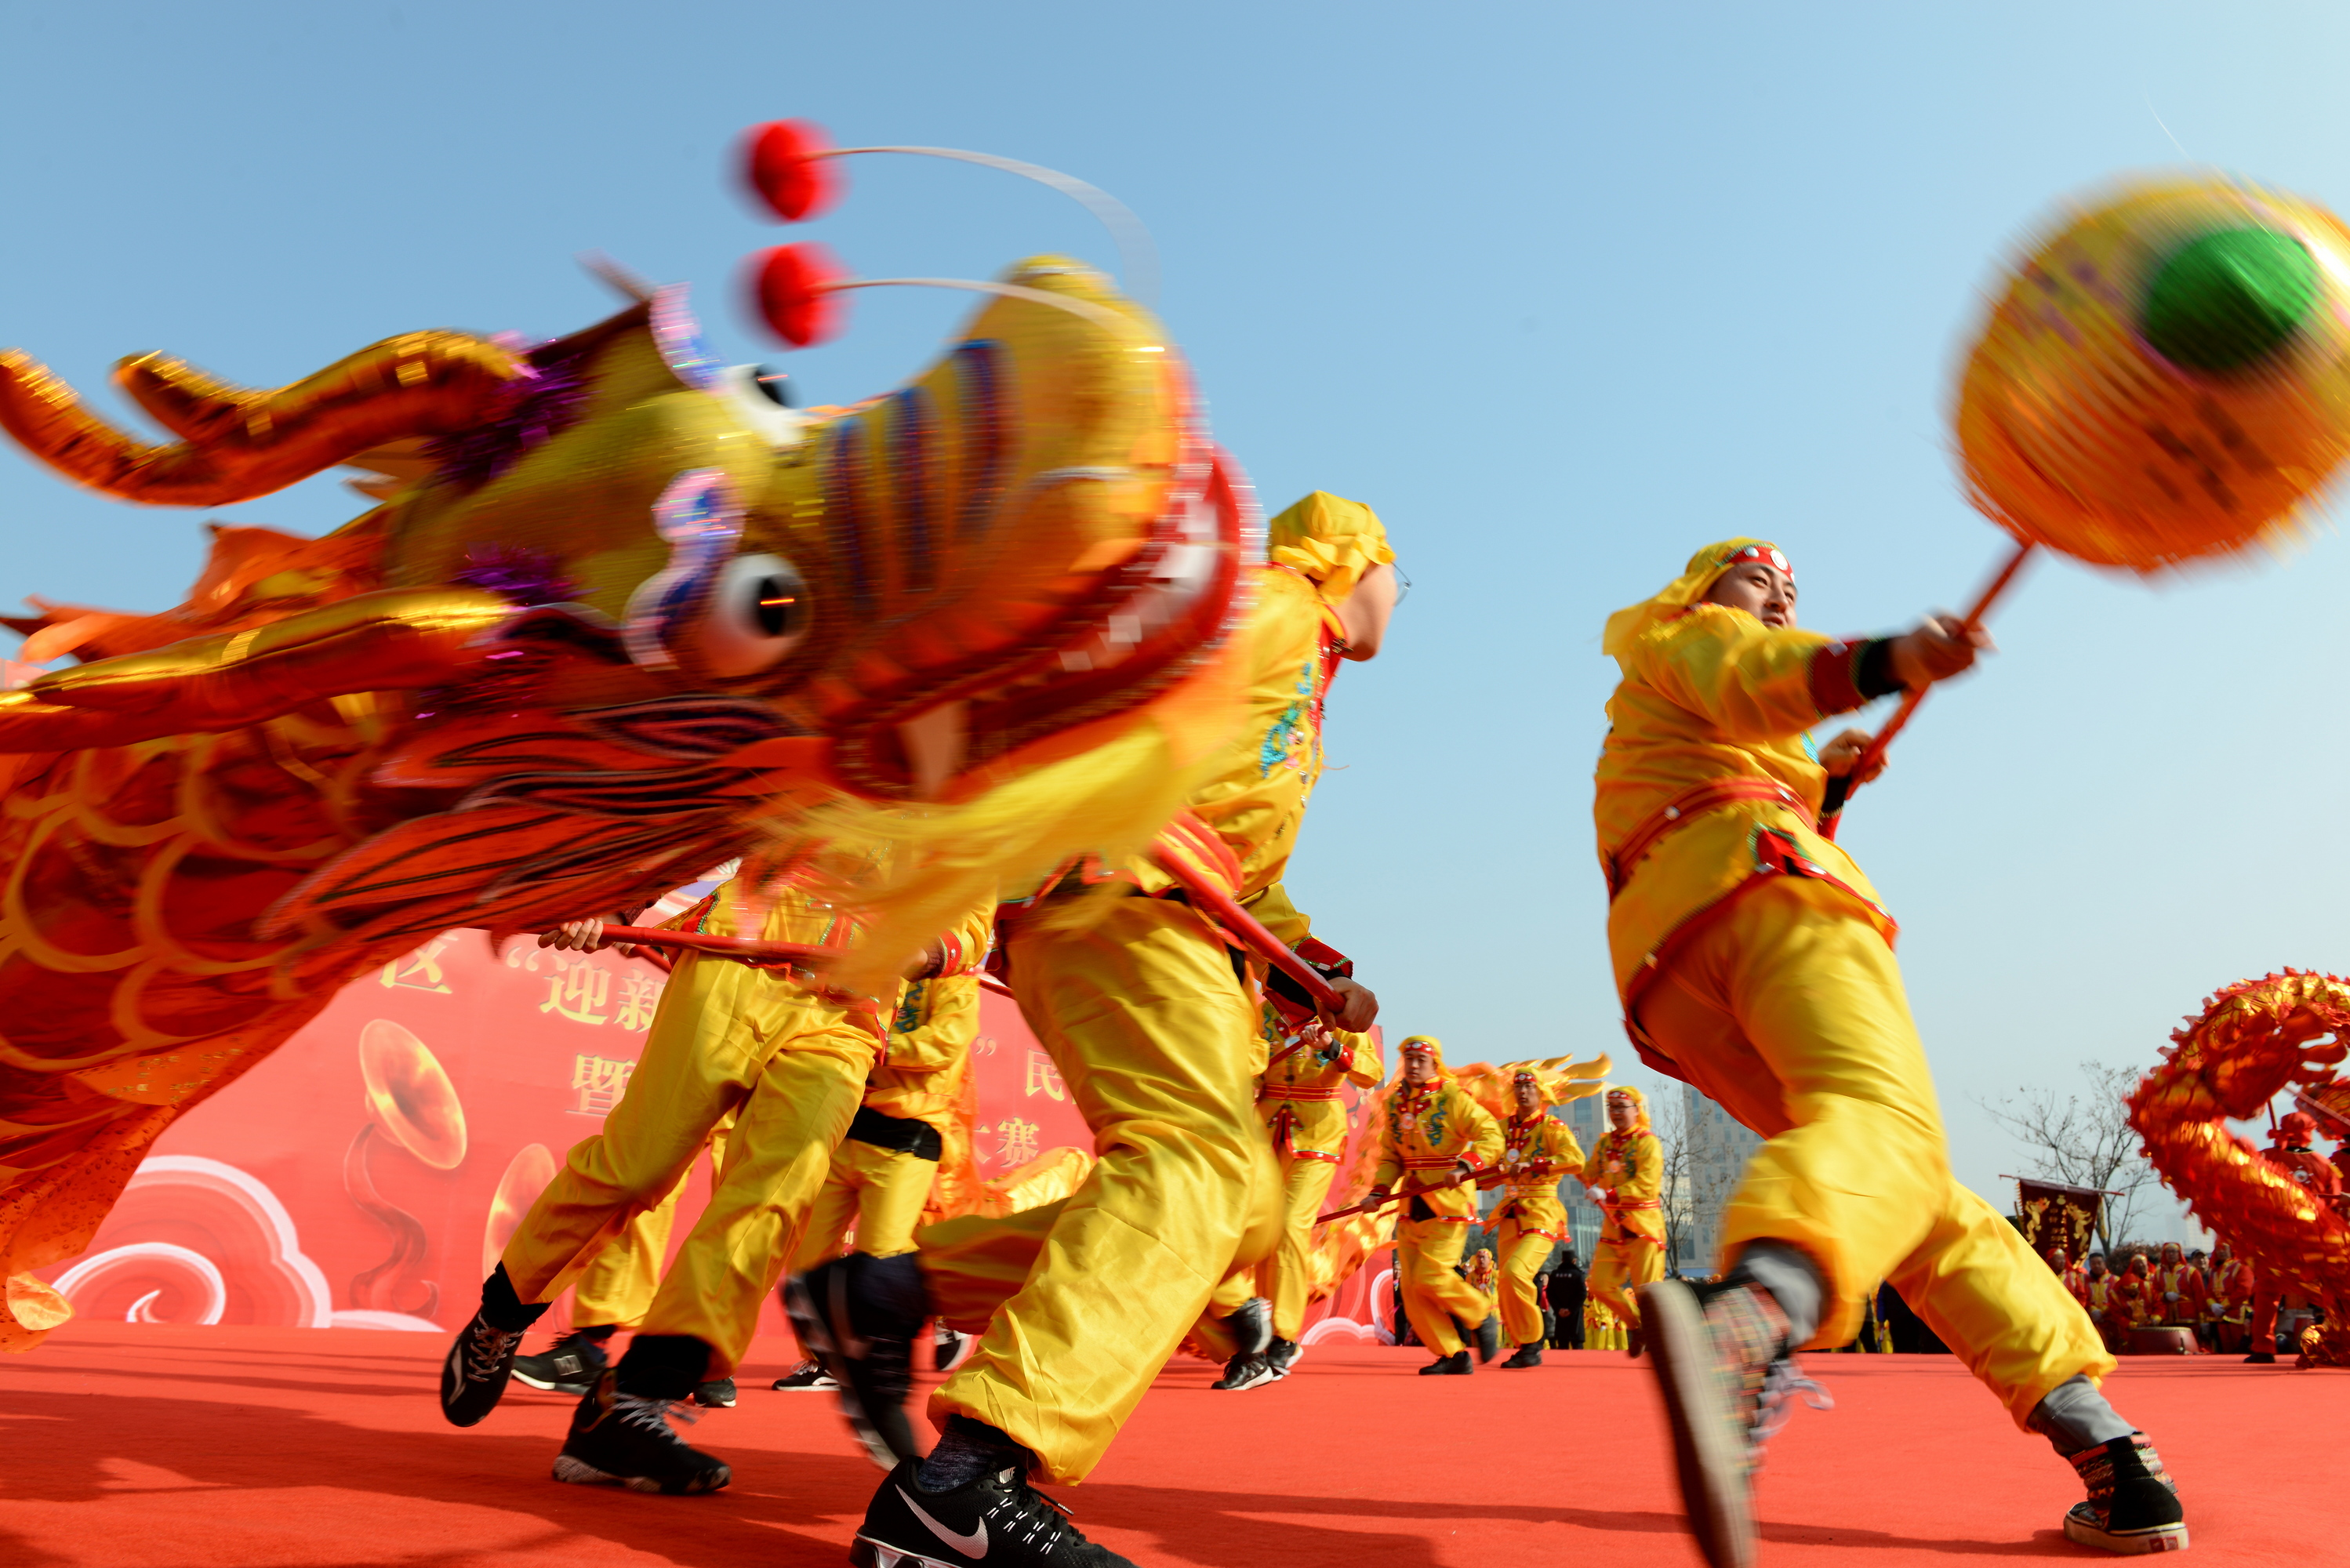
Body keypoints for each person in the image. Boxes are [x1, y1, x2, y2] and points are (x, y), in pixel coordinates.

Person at [787, 492, 1397, 1568]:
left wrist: (1318, 972)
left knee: (1245, 1211)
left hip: (1171, 911)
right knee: (1197, 1167)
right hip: (1120, 897)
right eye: (1400, 577)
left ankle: (885, 1293)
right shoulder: (1272, 610)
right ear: (1353, 564)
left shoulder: (1302, 682)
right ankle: (966, 1481)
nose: (1401, 602)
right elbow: (1119, 675)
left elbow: (1234, 858)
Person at [1596, 539, 2186, 1563]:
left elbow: (1732, 741)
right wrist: (1880, 661)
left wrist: (1826, 793)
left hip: (1677, 964)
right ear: (1698, 594)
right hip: (1766, 898)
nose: (1778, 594)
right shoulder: (1689, 637)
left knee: (1908, 1196)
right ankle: (1753, 1318)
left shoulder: (1670, 716)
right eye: (1755, 580)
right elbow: (1751, 676)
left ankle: (2107, 1453)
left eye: (1791, 589)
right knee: (1887, 1141)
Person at [434, 880, 990, 1497]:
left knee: (773, 1202)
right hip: (736, 964)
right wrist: (614, 897)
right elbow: (712, 803)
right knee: (636, 1171)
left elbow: (973, 912)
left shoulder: (989, 793)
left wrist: (931, 946)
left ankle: (634, 1404)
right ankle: (502, 1316)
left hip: (849, 1013)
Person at [774, 969, 979, 1398]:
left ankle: (941, 1307)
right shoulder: (869, 959)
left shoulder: (954, 979)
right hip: (847, 1122)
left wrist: (873, 1042)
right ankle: (823, 1361)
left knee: (881, 1257)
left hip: (911, 1131)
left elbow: (944, 1044)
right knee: (808, 1255)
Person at [1210, 1015, 1384, 1392]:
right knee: (1247, 1229)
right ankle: (1253, 1334)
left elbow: (1370, 1072)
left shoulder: (1338, 1015)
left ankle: (1284, 1337)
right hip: (1263, 1130)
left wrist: (1332, 1048)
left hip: (1317, 1134)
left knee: (1288, 1227)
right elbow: (1247, 1065)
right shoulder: (1259, 1015)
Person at [1365, 1035, 1506, 1374]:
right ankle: (1453, 1354)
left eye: (1420, 1060)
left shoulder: (1452, 1097)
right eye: (1408, 1059)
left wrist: (1466, 1165)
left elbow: (1491, 1135)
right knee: (1411, 1291)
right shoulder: (1396, 1102)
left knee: (1431, 1276)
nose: (1413, 1066)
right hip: (1411, 1205)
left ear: (1435, 1064)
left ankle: (1481, 1314)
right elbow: (1390, 1155)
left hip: (1448, 1202)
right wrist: (1380, 1189)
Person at [1491, 1065, 1586, 1368]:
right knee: (1504, 1281)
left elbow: (1575, 1160)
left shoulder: (1551, 1127)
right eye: (1518, 1087)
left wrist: (1535, 1164)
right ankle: (1524, 1345)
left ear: (1540, 1093)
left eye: (1530, 1087)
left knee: (1515, 1272)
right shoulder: (1501, 1128)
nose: (1523, 1092)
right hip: (1509, 1213)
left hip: (1541, 1213)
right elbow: (1487, 1165)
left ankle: (1534, 1338)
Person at [2245, 1112, 2342, 1363]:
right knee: (2334, 1291)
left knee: (2268, 1291)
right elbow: (2335, 1200)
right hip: (2315, 1239)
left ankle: (2263, 1347)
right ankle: (2339, 1342)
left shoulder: (2265, 1157)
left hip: (2274, 1236)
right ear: (2310, 1132)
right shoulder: (2323, 1163)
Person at [1582, 1087, 1665, 1356]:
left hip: (1642, 1226)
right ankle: (1638, 1326)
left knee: (1648, 1293)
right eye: (1612, 1108)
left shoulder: (1647, 1142)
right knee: (1598, 1285)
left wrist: (1608, 1193)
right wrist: (1564, 1158)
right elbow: (1589, 1171)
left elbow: (1647, 1184)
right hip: (1613, 1226)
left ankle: (1661, 1344)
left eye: (1621, 1107)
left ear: (1636, 1111)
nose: (1616, 1113)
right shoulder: (1604, 1144)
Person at [2151, 1243, 2203, 1333]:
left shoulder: (2191, 1272)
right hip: (2167, 1319)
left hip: (2189, 1318)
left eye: (2174, 1251)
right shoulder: (2159, 1273)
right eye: (2168, 1252)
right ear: (2164, 1254)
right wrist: (2165, 1295)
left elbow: (2200, 1296)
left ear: (2179, 1253)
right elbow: (2153, 1294)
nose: (2171, 1254)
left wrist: (2203, 1319)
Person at [1548, 1245, 1589, 1350]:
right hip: (1576, 1314)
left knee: (1562, 1344)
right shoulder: (1578, 1275)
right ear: (1574, 1261)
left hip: (1560, 1315)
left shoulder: (1555, 1274)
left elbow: (1550, 1294)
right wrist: (1571, 1309)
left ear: (1562, 1260)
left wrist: (1559, 1309)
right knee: (1577, 1344)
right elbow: (1582, 1294)